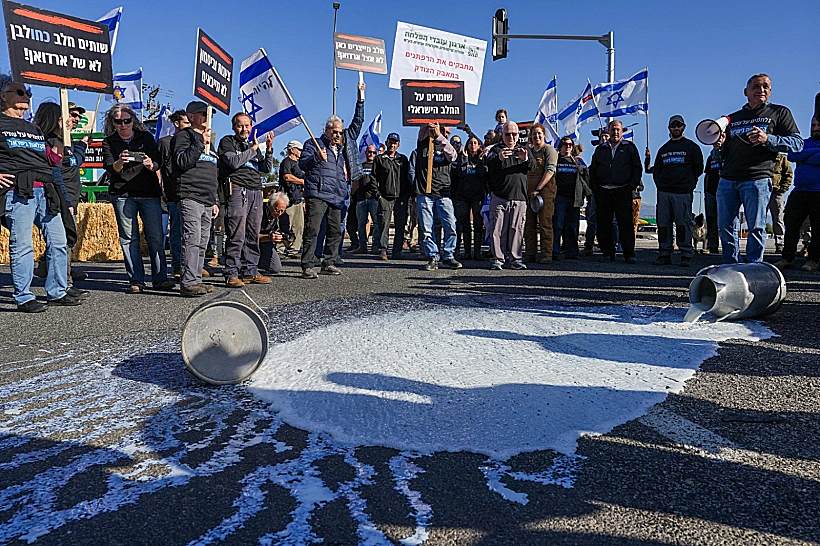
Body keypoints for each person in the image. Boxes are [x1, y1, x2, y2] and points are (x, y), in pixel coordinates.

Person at [0, 75, 80, 311]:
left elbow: (52, 159)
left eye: (28, 93)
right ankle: (23, 297)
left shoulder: (33, 128)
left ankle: (56, 291)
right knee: (22, 245)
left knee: (58, 242)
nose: (27, 97)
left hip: (45, 191)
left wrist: (63, 136)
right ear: (3, 96)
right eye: (20, 92)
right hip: (18, 192)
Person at [716, 74, 802, 264]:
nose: (761, 90)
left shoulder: (779, 113)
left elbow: (797, 144)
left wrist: (768, 139)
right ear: (746, 92)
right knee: (725, 226)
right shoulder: (733, 118)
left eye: (765, 87)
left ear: (770, 92)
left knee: (756, 227)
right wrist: (719, 145)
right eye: (756, 86)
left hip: (757, 179)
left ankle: (754, 268)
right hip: (728, 179)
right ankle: (731, 267)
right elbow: (724, 153)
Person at [102, 104, 174, 293]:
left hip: (148, 192)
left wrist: (151, 164)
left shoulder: (146, 138)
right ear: (113, 123)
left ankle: (160, 278)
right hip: (122, 194)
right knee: (129, 238)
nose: (123, 125)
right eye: (118, 121)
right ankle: (136, 280)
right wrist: (120, 162)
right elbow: (110, 168)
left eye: (127, 120)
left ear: (133, 120)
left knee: (156, 237)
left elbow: (159, 162)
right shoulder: (109, 141)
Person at [299, 81, 365, 279]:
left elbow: (358, 122)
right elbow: (302, 164)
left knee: (336, 231)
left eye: (340, 132)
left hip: (336, 194)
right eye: (334, 131)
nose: (337, 135)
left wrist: (361, 98)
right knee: (313, 230)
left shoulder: (344, 147)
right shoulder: (313, 144)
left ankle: (328, 262)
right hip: (317, 194)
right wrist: (315, 158)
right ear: (327, 131)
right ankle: (308, 265)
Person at [33, 101, 89, 298]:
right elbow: (56, 173)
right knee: (62, 240)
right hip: (58, 197)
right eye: (70, 115)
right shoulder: (50, 141)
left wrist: (81, 145)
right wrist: (66, 201)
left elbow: (75, 162)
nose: (74, 119)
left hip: (70, 196)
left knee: (65, 240)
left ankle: (57, 274)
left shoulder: (66, 142)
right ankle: (62, 283)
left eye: (76, 116)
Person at [218, 113, 275, 288]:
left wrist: (269, 150)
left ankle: (250, 270)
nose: (244, 129)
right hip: (237, 189)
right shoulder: (227, 141)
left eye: (247, 126)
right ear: (234, 127)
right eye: (241, 126)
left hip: (256, 190)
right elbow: (234, 162)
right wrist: (252, 149)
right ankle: (231, 273)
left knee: (252, 233)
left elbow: (265, 168)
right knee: (237, 233)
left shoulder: (253, 146)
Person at [171, 100, 219, 297]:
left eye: (209, 114)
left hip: (207, 198)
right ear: (191, 117)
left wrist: (214, 199)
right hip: (190, 194)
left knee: (202, 242)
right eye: (202, 113)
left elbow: (213, 172)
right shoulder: (184, 136)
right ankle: (188, 282)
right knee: (191, 239)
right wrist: (200, 142)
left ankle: (196, 278)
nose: (207, 117)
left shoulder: (209, 143)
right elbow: (182, 162)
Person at [645, 115, 704, 267]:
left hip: (683, 193)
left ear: (683, 127)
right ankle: (664, 254)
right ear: (669, 128)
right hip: (664, 193)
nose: (676, 128)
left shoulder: (692, 147)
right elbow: (657, 169)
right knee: (663, 224)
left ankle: (685, 254)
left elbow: (698, 168)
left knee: (683, 224)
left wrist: (689, 183)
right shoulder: (664, 149)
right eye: (673, 126)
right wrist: (660, 184)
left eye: (679, 125)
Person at [588, 120, 642, 263]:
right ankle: (607, 253)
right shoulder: (600, 149)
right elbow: (593, 169)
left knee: (625, 223)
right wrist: (595, 186)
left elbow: (637, 168)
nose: (615, 132)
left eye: (618, 129)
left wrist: (631, 186)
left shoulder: (629, 147)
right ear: (608, 131)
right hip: (603, 191)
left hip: (622, 190)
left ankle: (629, 253)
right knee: (604, 223)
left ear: (622, 131)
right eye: (612, 129)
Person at [486, 121, 537, 270]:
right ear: (502, 135)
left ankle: (516, 259)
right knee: (497, 230)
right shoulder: (496, 150)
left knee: (517, 230)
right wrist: (499, 159)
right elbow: (488, 164)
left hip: (519, 197)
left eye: (514, 134)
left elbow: (533, 166)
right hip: (499, 196)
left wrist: (525, 159)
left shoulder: (524, 150)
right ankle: (497, 259)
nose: (511, 137)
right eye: (508, 134)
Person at [414, 122, 461, 271]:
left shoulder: (448, 146)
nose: (446, 134)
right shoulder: (423, 143)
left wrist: (440, 136)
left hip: (443, 193)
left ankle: (448, 255)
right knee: (427, 229)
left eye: (448, 132)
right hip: (425, 192)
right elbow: (423, 129)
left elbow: (453, 156)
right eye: (443, 130)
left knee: (450, 225)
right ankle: (432, 256)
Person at [776, 116, 820, 271]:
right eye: (813, 125)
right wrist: (815, 153)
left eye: (818, 125)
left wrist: (805, 156)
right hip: (800, 190)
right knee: (791, 224)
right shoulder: (803, 142)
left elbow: (800, 156)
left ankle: (813, 260)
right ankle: (787, 258)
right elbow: (792, 155)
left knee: (817, 228)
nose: (815, 128)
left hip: (818, 192)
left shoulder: (805, 147)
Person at [157, 109, 189, 277]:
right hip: (171, 193)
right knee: (174, 231)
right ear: (176, 124)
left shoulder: (194, 143)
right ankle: (176, 265)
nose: (189, 126)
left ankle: (189, 266)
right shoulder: (165, 142)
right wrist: (160, 188)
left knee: (188, 232)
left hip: (189, 192)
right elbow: (157, 166)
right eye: (186, 123)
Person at [523, 123, 558, 263]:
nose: (536, 136)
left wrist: (538, 188)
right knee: (529, 225)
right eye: (534, 134)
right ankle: (530, 253)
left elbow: (550, 170)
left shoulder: (549, 150)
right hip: (528, 193)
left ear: (544, 135)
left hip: (545, 193)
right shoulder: (528, 152)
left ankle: (547, 254)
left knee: (545, 224)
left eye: (539, 133)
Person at [374, 132, 410, 260]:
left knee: (400, 225)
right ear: (387, 142)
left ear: (398, 145)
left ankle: (397, 251)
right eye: (390, 142)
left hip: (401, 197)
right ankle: (383, 250)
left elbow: (408, 177)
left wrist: (408, 195)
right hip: (385, 197)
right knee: (384, 225)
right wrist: (378, 194)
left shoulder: (403, 159)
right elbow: (373, 177)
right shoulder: (379, 159)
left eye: (394, 143)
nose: (392, 145)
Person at [452, 135, 488, 261]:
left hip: (477, 196)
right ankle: (467, 252)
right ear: (466, 145)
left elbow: (481, 174)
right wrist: (465, 159)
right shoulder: (461, 158)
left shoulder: (482, 159)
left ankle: (477, 253)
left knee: (478, 223)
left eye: (475, 143)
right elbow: (460, 173)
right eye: (470, 143)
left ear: (479, 146)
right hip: (462, 196)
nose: (472, 145)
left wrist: (480, 161)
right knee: (464, 223)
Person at [552, 136, 588, 260]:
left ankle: (572, 252)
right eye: (565, 144)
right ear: (560, 146)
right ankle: (555, 251)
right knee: (558, 224)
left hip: (574, 197)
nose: (567, 146)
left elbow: (587, 177)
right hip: (559, 196)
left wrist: (582, 171)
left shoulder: (577, 161)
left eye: (570, 144)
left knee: (572, 226)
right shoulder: (556, 159)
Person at [259, 191, 295, 274]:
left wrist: (286, 241)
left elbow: (285, 232)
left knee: (275, 268)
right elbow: (250, 236)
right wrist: (269, 237)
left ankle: (259, 262)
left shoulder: (283, 215)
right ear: (269, 205)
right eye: (277, 210)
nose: (279, 213)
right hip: (252, 241)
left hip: (266, 242)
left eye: (282, 211)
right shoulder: (259, 212)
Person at [279, 140, 305, 256]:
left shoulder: (300, 164)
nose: (301, 152)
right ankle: (279, 249)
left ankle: (294, 250)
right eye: (299, 149)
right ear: (292, 150)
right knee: (285, 225)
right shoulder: (286, 162)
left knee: (299, 226)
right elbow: (287, 177)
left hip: (298, 199)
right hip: (287, 199)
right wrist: (303, 182)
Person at [353, 144, 380, 254]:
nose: (371, 154)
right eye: (369, 152)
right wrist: (352, 195)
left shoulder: (378, 167)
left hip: (374, 198)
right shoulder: (361, 166)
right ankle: (362, 245)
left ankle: (376, 245)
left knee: (377, 223)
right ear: (365, 153)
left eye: (373, 152)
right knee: (361, 224)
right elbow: (355, 182)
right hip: (361, 198)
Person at [703, 132, 725, 254]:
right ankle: (712, 245)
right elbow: (707, 175)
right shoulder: (711, 158)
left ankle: (728, 246)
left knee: (725, 220)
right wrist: (706, 190)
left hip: (725, 192)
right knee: (711, 219)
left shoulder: (727, 155)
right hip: (711, 191)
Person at [768, 153, 793, 254]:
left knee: (778, 218)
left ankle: (779, 243)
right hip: (761, 190)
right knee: (758, 218)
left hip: (776, 192)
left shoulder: (782, 158)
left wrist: (783, 189)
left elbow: (789, 174)